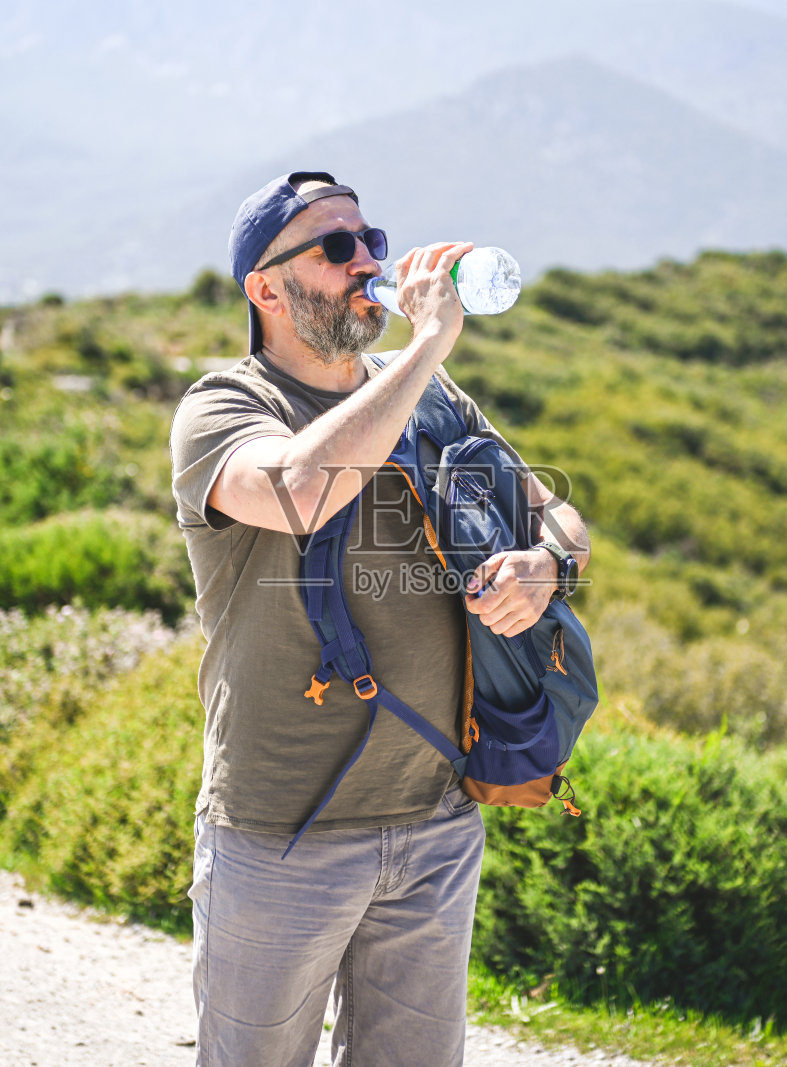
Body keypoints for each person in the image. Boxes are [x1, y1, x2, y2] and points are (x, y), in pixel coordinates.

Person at [169, 171, 589, 1066]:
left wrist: (547, 562)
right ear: (265, 288)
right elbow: (300, 493)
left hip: (436, 820)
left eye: (371, 239)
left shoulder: (430, 398)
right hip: (282, 830)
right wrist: (429, 342)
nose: (369, 263)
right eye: (335, 248)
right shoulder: (224, 407)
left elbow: (555, 509)